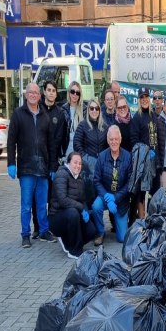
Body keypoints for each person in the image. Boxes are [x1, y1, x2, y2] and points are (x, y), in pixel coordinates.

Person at [7, 82, 58, 248]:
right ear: (26, 94)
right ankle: (25, 235)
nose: (33, 95)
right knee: (26, 205)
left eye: (36, 93)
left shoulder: (45, 116)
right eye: (30, 92)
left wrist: (52, 167)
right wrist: (10, 163)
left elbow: (51, 144)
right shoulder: (18, 114)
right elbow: (11, 141)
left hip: (43, 169)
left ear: (39, 95)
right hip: (26, 168)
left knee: (42, 204)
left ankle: (44, 231)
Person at [30, 80, 66, 239]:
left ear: (56, 94)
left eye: (54, 90)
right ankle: (37, 227)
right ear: (43, 92)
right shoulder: (37, 109)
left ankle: (48, 228)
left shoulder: (59, 113)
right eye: (48, 90)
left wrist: (54, 165)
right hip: (36, 161)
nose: (51, 93)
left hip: (52, 162)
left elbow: (59, 140)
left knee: (52, 197)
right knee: (35, 197)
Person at [49, 152, 97, 259]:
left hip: (72, 214)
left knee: (92, 230)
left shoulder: (79, 179)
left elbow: (83, 200)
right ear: (68, 162)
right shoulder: (61, 174)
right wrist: (80, 208)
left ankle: (70, 241)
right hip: (57, 217)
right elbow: (63, 200)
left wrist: (85, 210)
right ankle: (74, 251)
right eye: (75, 162)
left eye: (80, 163)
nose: (78, 166)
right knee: (73, 213)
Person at [73, 97, 107, 245]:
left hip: (101, 169)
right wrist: (85, 158)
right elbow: (76, 143)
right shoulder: (83, 126)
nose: (94, 111)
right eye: (91, 108)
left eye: (97, 108)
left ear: (100, 111)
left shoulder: (104, 126)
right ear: (88, 110)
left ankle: (100, 230)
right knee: (89, 199)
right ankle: (92, 231)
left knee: (99, 199)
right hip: (87, 171)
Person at [92, 125, 132, 243]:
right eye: (111, 139)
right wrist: (107, 197)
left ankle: (120, 220)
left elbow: (130, 183)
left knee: (121, 238)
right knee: (96, 206)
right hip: (105, 195)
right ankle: (100, 232)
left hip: (121, 199)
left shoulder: (128, 157)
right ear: (108, 140)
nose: (114, 142)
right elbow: (96, 180)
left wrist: (116, 197)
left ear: (120, 140)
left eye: (116, 139)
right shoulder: (102, 156)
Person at [130, 87, 159, 218]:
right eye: (142, 97)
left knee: (155, 191)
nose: (144, 99)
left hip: (155, 161)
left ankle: (153, 219)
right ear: (139, 100)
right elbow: (134, 141)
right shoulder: (137, 118)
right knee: (142, 192)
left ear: (149, 98)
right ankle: (142, 221)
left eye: (146, 96)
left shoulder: (154, 116)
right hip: (143, 162)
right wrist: (146, 152)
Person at [61, 81, 85, 158]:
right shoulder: (63, 110)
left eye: (77, 93)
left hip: (80, 151)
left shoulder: (84, 110)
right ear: (69, 93)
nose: (75, 94)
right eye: (73, 91)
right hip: (66, 150)